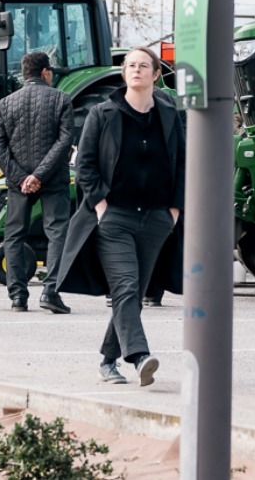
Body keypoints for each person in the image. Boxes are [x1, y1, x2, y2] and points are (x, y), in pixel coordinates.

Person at [49, 47, 184, 387]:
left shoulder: (170, 113)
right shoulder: (102, 113)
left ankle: (108, 360)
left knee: (134, 293)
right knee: (125, 286)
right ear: (124, 74)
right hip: (115, 219)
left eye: (143, 65)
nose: (135, 70)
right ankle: (139, 357)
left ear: (156, 74)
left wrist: (174, 209)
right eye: (129, 65)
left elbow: (182, 162)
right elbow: (85, 165)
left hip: (156, 218)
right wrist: (100, 206)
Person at [0, 52, 76, 313]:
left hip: (19, 183)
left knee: (14, 235)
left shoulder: (5, 103)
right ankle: (51, 292)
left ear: (24, 73)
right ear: (46, 72)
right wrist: (39, 175)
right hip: (53, 180)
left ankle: (18, 297)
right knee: (57, 233)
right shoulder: (61, 99)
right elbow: (64, 142)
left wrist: (20, 177)